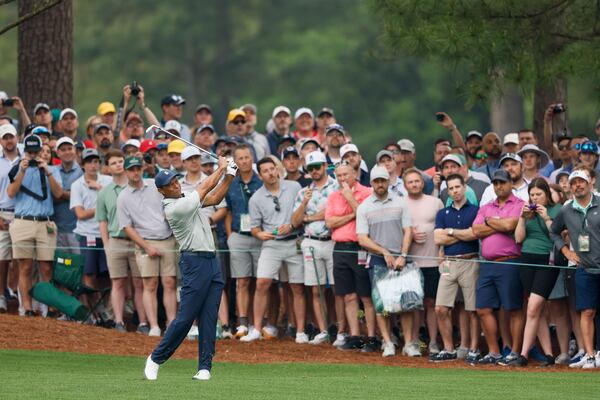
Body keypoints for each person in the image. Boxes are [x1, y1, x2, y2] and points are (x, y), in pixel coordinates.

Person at [143, 156, 237, 381]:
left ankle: (205, 367)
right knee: (185, 318)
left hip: (211, 261)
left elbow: (214, 197)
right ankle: (156, 358)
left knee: (208, 316)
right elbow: (205, 186)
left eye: (176, 181)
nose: (176, 185)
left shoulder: (185, 196)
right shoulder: (174, 208)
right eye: (171, 185)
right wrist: (221, 168)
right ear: (162, 191)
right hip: (193, 262)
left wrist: (230, 176)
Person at [240, 158, 306, 343]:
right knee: (262, 283)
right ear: (260, 175)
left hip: (294, 241)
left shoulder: (294, 186)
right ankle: (256, 329)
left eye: (272, 169)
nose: (270, 173)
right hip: (271, 244)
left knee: (297, 287)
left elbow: (303, 210)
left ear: (277, 170)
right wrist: (260, 235)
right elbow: (254, 228)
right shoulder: (256, 198)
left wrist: (292, 226)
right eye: (265, 171)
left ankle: (300, 331)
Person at [356, 165, 413, 357]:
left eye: (383, 180)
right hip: (378, 260)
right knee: (382, 306)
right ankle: (387, 342)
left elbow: (408, 231)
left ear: (388, 181)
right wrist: (384, 252)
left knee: (405, 304)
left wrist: (402, 256)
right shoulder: (364, 207)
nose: (380, 184)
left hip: (401, 258)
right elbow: (362, 238)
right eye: (376, 181)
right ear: (371, 183)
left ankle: (409, 344)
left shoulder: (401, 202)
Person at [117, 156, 178, 337]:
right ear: (126, 172)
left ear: (142, 169)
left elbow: (171, 200)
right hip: (145, 242)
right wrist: (146, 246)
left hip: (167, 238)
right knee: (149, 285)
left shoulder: (154, 184)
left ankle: (172, 323)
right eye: (131, 169)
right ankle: (153, 326)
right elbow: (127, 227)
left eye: (137, 168)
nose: (135, 172)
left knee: (169, 282)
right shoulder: (123, 197)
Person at [471, 169, 525, 365]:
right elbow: (476, 230)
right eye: (496, 183)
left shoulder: (519, 204)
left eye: (502, 182)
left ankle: (515, 352)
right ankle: (494, 352)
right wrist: (497, 223)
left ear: (511, 183)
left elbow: (511, 225)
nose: (499, 186)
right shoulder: (486, 206)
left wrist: (490, 222)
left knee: (514, 308)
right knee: (483, 308)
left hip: (510, 262)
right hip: (487, 264)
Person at [7, 134, 63, 316]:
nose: (32, 155)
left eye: (35, 151)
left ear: (41, 152)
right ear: (25, 152)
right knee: (25, 267)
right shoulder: (17, 168)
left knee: (46, 267)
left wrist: (46, 170)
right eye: (29, 152)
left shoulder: (52, 170)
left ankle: (49, 307)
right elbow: (11, 193)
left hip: (44, 222)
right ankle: (28, 307)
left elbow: (58, 193)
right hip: (23, 221)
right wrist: (22, 171)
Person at [550, 167, 600, 369]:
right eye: (573, 183)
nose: (577, 185)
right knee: (586, 312)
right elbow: (554, 232)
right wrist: (567, 252)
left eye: (581, 181)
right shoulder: (566, 209)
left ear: (590, 183)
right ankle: (589, 355)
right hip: (584, 268)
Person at [509, 178, 562, 366]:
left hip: (547, 261)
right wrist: (522, 218)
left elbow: (556, 236)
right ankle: (549, 355)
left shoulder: (556, 210)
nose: (535, 198)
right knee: (535, 310)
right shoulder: (526, 212)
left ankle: (523, 355)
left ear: (546, 194)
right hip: (526, 258)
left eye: (538, 194)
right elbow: (518, 238)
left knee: (532, 307)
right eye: (532, 194)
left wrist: (547, 217)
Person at [325, 162, 377, 351]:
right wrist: (351, 215)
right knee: (348, 295)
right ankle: (355, 335)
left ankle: (371, 337)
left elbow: (366, 216)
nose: (341, 179)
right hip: (340, 247)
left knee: (366, 295)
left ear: (355, 173)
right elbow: (330, 222)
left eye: (345, 175)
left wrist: (350, 199)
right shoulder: (333, 196)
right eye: (338, 176)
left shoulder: (367, 192)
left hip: (360, 247)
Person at [95, 150, 148, 334]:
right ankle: (118, 322)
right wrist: (106, 244)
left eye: (120, 161)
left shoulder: (136, 186)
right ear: (108, 168)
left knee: (139, 283)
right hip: (115, 241)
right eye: (114, 162)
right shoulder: (104, 192)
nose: (118, 165)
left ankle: (142, 322)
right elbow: (102, 220)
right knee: (117, 282)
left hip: (137, 241)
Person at [291, 151, 340, 345]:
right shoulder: (303, 192)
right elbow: (294, 222)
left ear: (325, 166)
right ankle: (323, 330)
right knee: (315, 289)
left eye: (317, 167)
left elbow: (332, 214)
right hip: (310, 241)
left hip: (332, 240)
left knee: (338, 289)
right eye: (310, 168)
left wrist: (309, 217)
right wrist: (304, 204)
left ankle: (341, 329)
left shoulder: (337, 187)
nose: (314, 171)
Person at [432, 174, 481, 362]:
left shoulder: (476, 211)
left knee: (472, 309)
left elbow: (474, 234)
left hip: (470, 261)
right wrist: (464, 234)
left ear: (464, 188)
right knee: (440, 309)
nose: (454, 191)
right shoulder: (443, 213)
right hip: (448, 263)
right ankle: (449, 348)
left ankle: (474, 349)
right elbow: (438, 239)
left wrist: (450, 232)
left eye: (457, 187)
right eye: (450, 188)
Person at [403, 168, 444, 355]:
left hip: (433, 261)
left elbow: (444, 228)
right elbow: (397, 232)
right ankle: (412, 342)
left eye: (417, 181)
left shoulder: (435, 202)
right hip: (410, 262)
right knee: (413, 304)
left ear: (423, 183)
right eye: (410, 182)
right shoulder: (400, 204)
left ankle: (434, 341)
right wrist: (410, 237)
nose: (414, 184)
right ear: (405, 185)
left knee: (431, 303)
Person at [225, 144, 264, 338]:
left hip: (259, 237)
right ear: (236, 162)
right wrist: (230, 235)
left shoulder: (261, 181)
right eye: (240, 158)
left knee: (262, 283)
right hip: (238, 236)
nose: (244, 161)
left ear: (252, 158)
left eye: (247, 157)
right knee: (242, 281)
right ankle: (242, 322)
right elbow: (228, 212)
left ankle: (262, 322)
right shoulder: (231, 183)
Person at [70, 149, 112, 311]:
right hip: (87, 234)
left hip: (107, 233)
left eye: (96, 161)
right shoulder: (77, 185)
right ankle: (90, 311)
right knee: (89, 274)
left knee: (107, 274)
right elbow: (80, 214)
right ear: (82, 165)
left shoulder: (107, 181)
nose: (93, 165)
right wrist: (101, 206)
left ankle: (105, 310)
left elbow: (116, 203)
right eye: (89, 162)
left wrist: (100, 189)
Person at [0, 124, 20, 312]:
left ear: (17, 138)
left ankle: (17, 293)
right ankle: (1, 295)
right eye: (5, 137)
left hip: (22, 212)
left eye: (11, 137)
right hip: (3, 212)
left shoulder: (25, 158)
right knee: (2, 257)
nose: (8, 141)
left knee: (22, 256)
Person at [53, 137, 83, 254]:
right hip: (57, 228)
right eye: (63, 149)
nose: (67, 152)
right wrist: (69, 193)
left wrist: (60, 193)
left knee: (77, 264)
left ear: (75, 150)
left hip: (76, 229)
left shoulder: (82, 171)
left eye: (70, 148)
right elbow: (53, 196)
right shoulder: (53, 171)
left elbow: (79, 197)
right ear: (58, 153)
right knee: (62, 265)